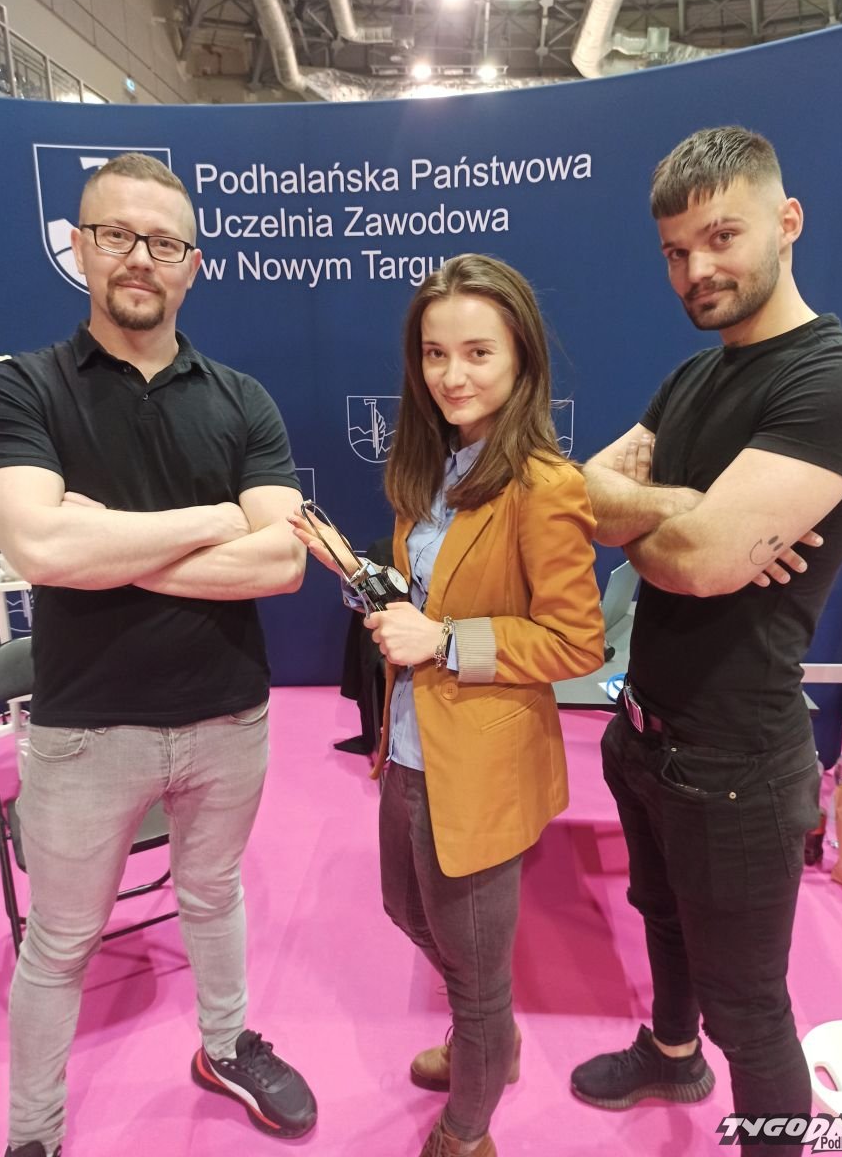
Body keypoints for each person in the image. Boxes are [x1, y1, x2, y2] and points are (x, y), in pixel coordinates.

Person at [569, 126, 842, 1154]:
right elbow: (581, 496)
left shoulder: (840, 383)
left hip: (735, 760)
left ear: (786, 221)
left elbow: (698, 561)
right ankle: (671, 1055)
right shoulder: (689, 380)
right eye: (676, 251)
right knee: (659, 917)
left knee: (750, 1009)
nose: (697, 269)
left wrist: (681, 529)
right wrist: (688, 511)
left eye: (721, 236)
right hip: (643, 726)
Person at [0, 153, 317, 1157]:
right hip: (86, 734)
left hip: (229, 716)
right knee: (60, 943)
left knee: (213, 895)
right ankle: (34, 1131)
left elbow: (283, 562)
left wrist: (106, 540)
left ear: (192, 264)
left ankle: (224, 1046)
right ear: (80, 247)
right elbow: (41, 548)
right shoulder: (24, 386)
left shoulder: (241, 398)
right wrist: (214, 519)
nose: (140, 257)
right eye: (117, 235)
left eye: (164, 242)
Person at [291, 254, 605, 1157]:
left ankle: (469, 1125)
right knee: (406, 912)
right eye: (435, 354)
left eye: (477, 352)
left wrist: (445, 642)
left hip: (482, 763)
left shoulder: (545, 485)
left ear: (520, 359)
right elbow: (423, 600)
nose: (452, 375)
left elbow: (577, 643)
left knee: (471, 969)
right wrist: (361, 577)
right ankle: (489, 1036)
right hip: (409, 742)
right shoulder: (431, 466)